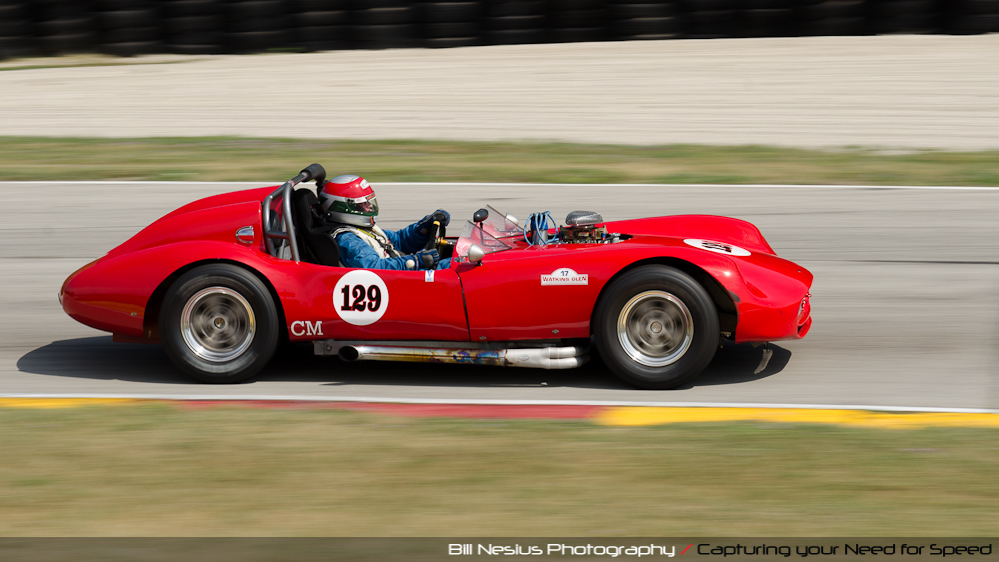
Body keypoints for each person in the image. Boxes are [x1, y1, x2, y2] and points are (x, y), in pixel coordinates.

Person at [318, 175, 451, 270]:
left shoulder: (362, 229)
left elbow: (398, 241)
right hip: (395, 282)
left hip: (401, 272)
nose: (369, 207)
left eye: (369, 202)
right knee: (460, 267)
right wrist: (416, 261)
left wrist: (425, 225)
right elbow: (375, 269)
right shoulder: (348, 240)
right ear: (344, 208)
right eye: (363, 204)